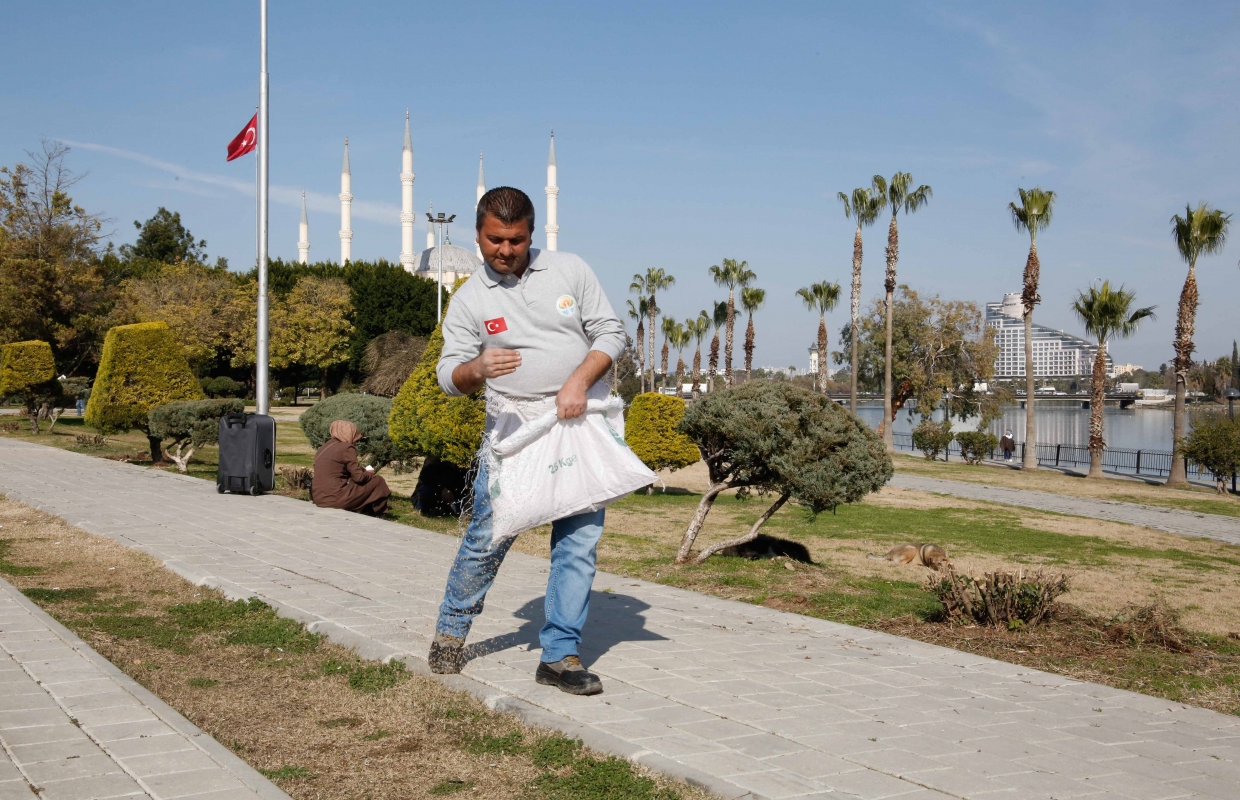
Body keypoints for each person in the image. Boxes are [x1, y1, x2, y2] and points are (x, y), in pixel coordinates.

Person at [427, 186, 625, 696]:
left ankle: (560, 655)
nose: (505, 250)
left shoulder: (570, 270)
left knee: (578, 542)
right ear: (477, 235)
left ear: (531, 235)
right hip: (513, 432)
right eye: (495, 240)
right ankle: (451, 631)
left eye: (515, 240)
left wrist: (578, 382)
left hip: (576, 423)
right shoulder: (470, 298)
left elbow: (610, 332)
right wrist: (475, 368)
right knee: (487, 538)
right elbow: (447, 375)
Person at [311, 420, 391, 515]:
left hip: (319, 498)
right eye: (356, 439)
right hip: (335, 498)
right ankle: (378, 512)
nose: (356, 442)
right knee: (378, 480)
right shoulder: (347, 448)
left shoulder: (324, 447)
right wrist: (369, 473)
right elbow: (359, 477)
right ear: (349, 433)